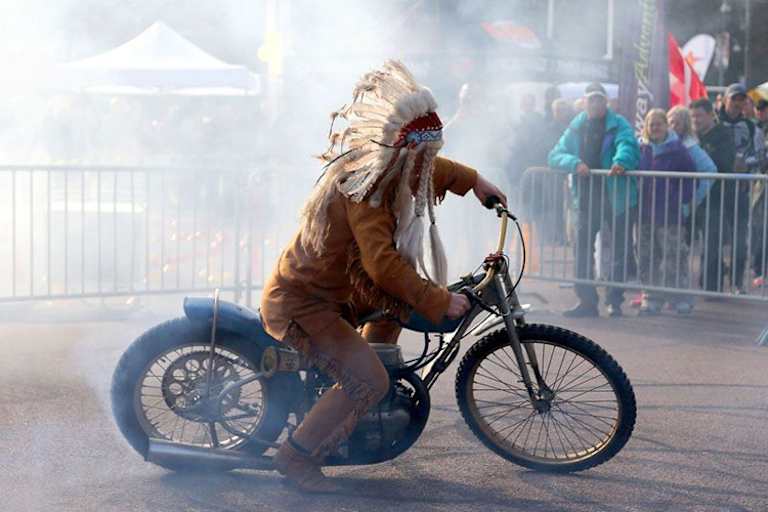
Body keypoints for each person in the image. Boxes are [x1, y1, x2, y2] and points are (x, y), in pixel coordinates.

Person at [259, 61, 507, 492]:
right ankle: (296, 458)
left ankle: (366, 405)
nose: (429, 164)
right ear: (405, 153)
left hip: (341, 291)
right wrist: (437, 300)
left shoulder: (395, 163)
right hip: (305, 302)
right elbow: (382, 266)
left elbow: (431, 166)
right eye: (424, 156)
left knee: (393, 311)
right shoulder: (368, 192)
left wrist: (476, 181)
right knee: (368, 380)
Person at [549, 82, 640, 318]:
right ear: (585, 101)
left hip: (616, 198)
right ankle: (587, 301)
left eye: (599, 99)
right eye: (592, 99)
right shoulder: (577, 125)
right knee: (581, 250)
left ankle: (614, 301)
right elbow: (555, 155)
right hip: (586, 199)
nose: (596, 103)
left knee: (619, 251)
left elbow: (628, 145)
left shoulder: (619, 123)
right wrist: (574, 163)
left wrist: (621, 161)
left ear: (606, 102)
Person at [636, 109, 697, 315]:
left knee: (675, 255)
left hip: (670, 214)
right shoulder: (641, 149)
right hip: (645, 213)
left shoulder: (678, 150)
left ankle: (679, 297)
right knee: (647, 255)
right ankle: (651, 297)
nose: (655, 128)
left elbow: (690, 178)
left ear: (666, 126)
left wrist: (681, 199)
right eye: (651, 124)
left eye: (658, 124)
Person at [716, 84, 765, 292]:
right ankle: (712, 281)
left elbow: (761, 156)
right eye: (734, 98)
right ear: (725, 100)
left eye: (741, 99)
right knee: (713, 237)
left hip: (741, 189)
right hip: (715, 189)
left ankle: (736, 282)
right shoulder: (714, 123)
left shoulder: (753, 127)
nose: (737, 103)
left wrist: (747, 164)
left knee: (740, 238)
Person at [690, 98, 737, 292]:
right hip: (692, 196)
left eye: (699, 115)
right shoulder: (691, 136)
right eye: (693, 116)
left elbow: (723, 164)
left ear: (711, 114)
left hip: (716, 197)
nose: (696, 120)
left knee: (712, 242)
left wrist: (700, 157)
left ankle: (711, 285)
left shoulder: (723, 135)